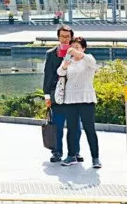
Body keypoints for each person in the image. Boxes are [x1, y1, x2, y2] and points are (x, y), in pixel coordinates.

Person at [57, 37, 101, 169]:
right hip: (70, 99)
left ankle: (95, 158)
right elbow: (60, 72)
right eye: (72, 47)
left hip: (86, 99)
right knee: (71, 129)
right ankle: (71, 155)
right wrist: (66, 61)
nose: (74, 50)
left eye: (77, 47)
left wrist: (76, 52)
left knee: (89, 129)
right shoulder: (68, 60)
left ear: (83, 48)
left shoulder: (88, 59)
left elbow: (92, 63)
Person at [43, 24, 82, 163]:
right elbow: (48, 75)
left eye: (67, 36)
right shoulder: (51, 53)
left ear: (71, 37)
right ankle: (56, 152)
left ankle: (75, 152)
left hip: (74, 94)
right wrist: (47, 95)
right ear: (58, 37)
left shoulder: (77, 53)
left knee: (75, 127)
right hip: (57, 94)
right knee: (57, 125)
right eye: (62, 36)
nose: (65, 39)